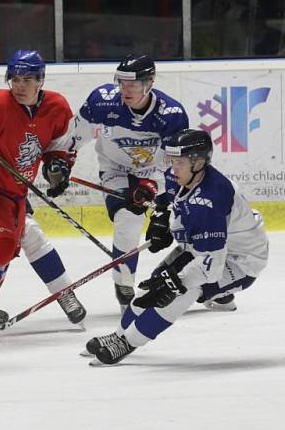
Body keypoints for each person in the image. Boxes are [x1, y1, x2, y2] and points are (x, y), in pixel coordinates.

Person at [85, 129, 269, 365]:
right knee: (153, 284)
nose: (174, 168)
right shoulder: (183, 176)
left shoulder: (210, 202)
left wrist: (175, 282)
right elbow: (168, 196)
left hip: (240, 261)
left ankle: (128, 342)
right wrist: (161, 216)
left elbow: (210, 270)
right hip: (204, 248)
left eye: (180, 162)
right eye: (173, 161)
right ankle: (119, 335)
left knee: (179, 292)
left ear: (199, 163)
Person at [0, 50, 86, 335]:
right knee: (0, 246)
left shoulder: (58, 107)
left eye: (27, 80)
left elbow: (58, 149)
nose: (20, 86)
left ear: (40, 81)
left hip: (16, 190)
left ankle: (62, 292)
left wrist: (58, 167)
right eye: (15, 79)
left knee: (26, 239)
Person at [71, 54, 189, 311]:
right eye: (122, 82)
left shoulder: (171, 114)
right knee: (129, 217)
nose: (126, 89)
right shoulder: (102, 101)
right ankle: (125, 289)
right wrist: (58, 163)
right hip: (115, 169)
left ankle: (212, 283)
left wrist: (164, 208)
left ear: (149, 83)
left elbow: (178, 164)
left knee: (186, 221)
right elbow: (73, 138)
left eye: (133, 84)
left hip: (155, 171)